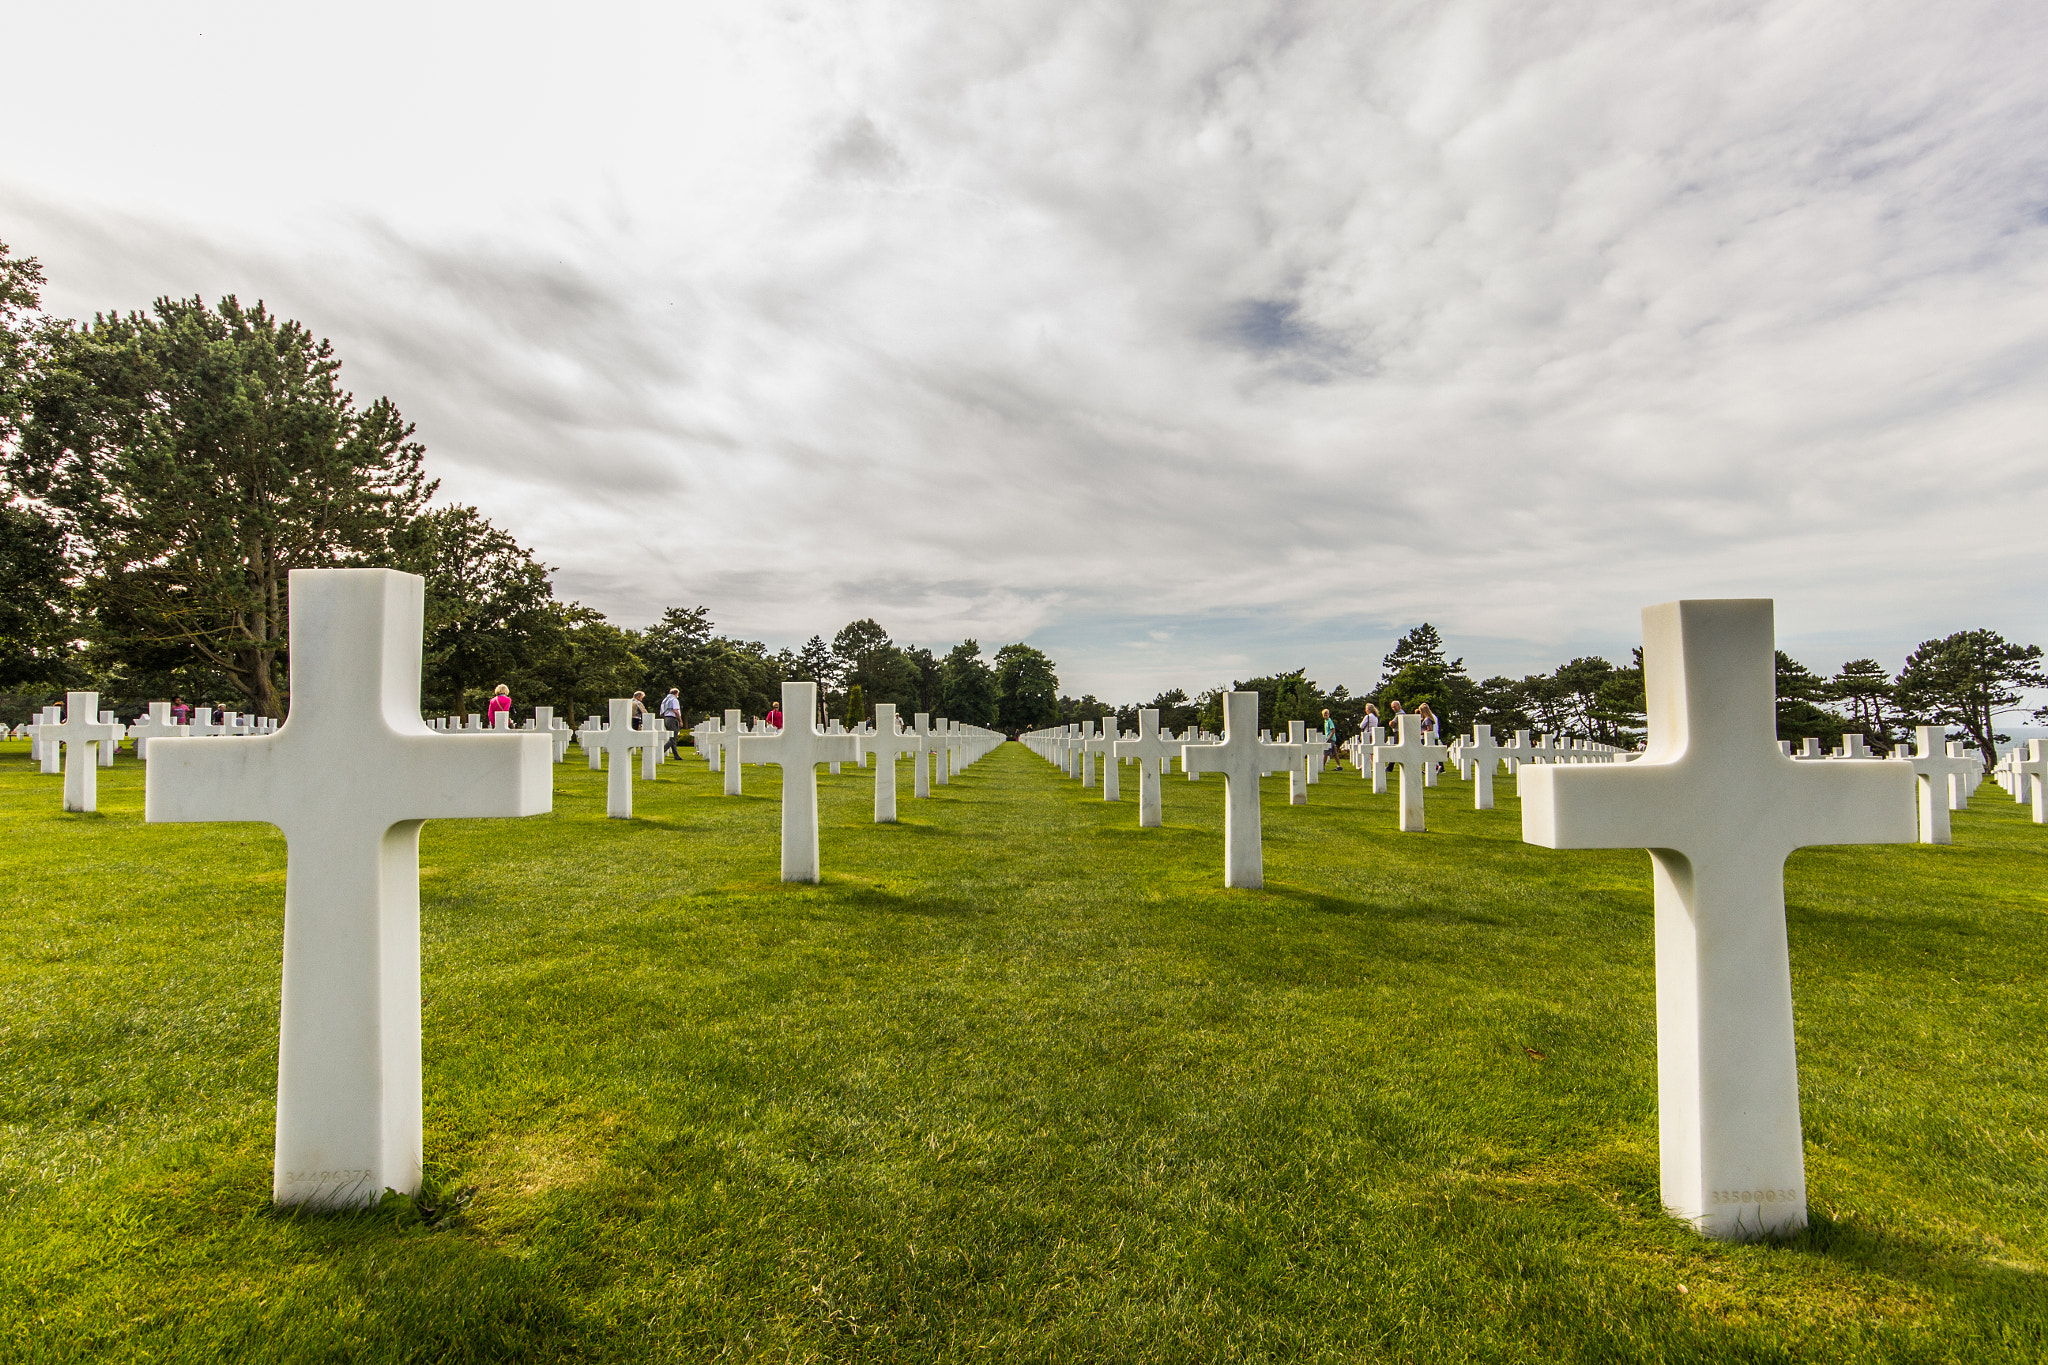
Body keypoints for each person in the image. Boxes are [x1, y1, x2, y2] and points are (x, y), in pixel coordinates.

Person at [660, 687, 682, 755]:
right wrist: (680, 721)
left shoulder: (665, 700)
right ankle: (660, 752)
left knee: (672, 738)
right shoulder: (674, 700)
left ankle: (676, 755)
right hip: (672, 719)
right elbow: (675, 711)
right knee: (673, 738)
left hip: (666, 718)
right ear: (676, 693)